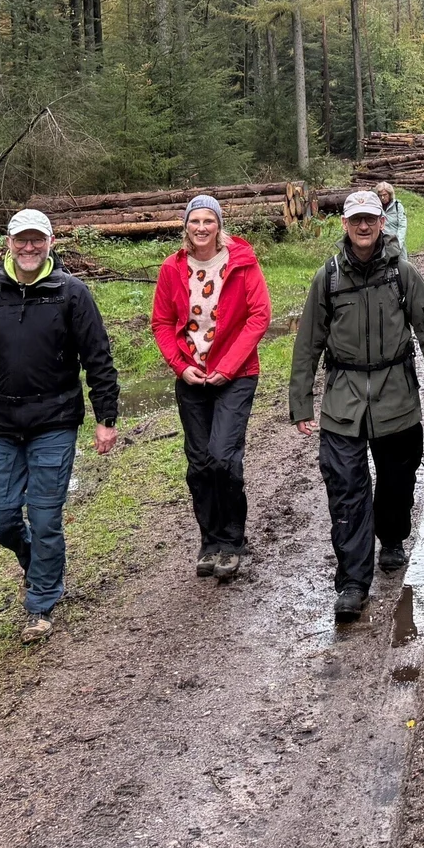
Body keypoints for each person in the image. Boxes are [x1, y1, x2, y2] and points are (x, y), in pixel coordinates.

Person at [0, 208, 119, 644]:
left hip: (55, 421)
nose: (29, 248)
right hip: (2, 425)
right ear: (8, 243)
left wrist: (106, 416)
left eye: (36, 240)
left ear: (50, 243)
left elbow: (97, 356)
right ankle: (39, 561)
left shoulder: (71, 293)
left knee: (44, 517)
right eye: (21, 240)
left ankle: (41, 601)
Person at [290, 190, 424, 621]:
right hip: (343, 400)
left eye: (371, 219)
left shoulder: (402, 274)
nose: (363, 227)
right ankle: (351, 583)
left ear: (382, 223)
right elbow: (307, 344)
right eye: (355, 220)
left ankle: (394, 536)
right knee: (346, 492)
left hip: (396, 397)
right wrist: (301, 402)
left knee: (397, 481)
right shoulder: (327, 278)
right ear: (344, 224)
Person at [149, 194, 272, 583]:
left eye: (209, 221)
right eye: (194, 221)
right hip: (191, 378)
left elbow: (259, 316)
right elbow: (162, 323)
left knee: (223, 457)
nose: (201, 228)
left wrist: (227, 366)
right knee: (199, 464)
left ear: (220, 225)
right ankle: (210, 541)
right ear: (185, 226)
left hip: (235, 376)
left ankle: (233, 541)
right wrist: (181, 367)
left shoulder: (242, 263)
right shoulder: (173, 268)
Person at [377, 180, 408, 248]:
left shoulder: (398, 206)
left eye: (385, 195)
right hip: (381, 245)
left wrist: (398, 243)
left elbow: (402, 226)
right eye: (380, 195)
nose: (382, 197)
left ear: (390, 194)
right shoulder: (376, 208)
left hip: (396, 243)